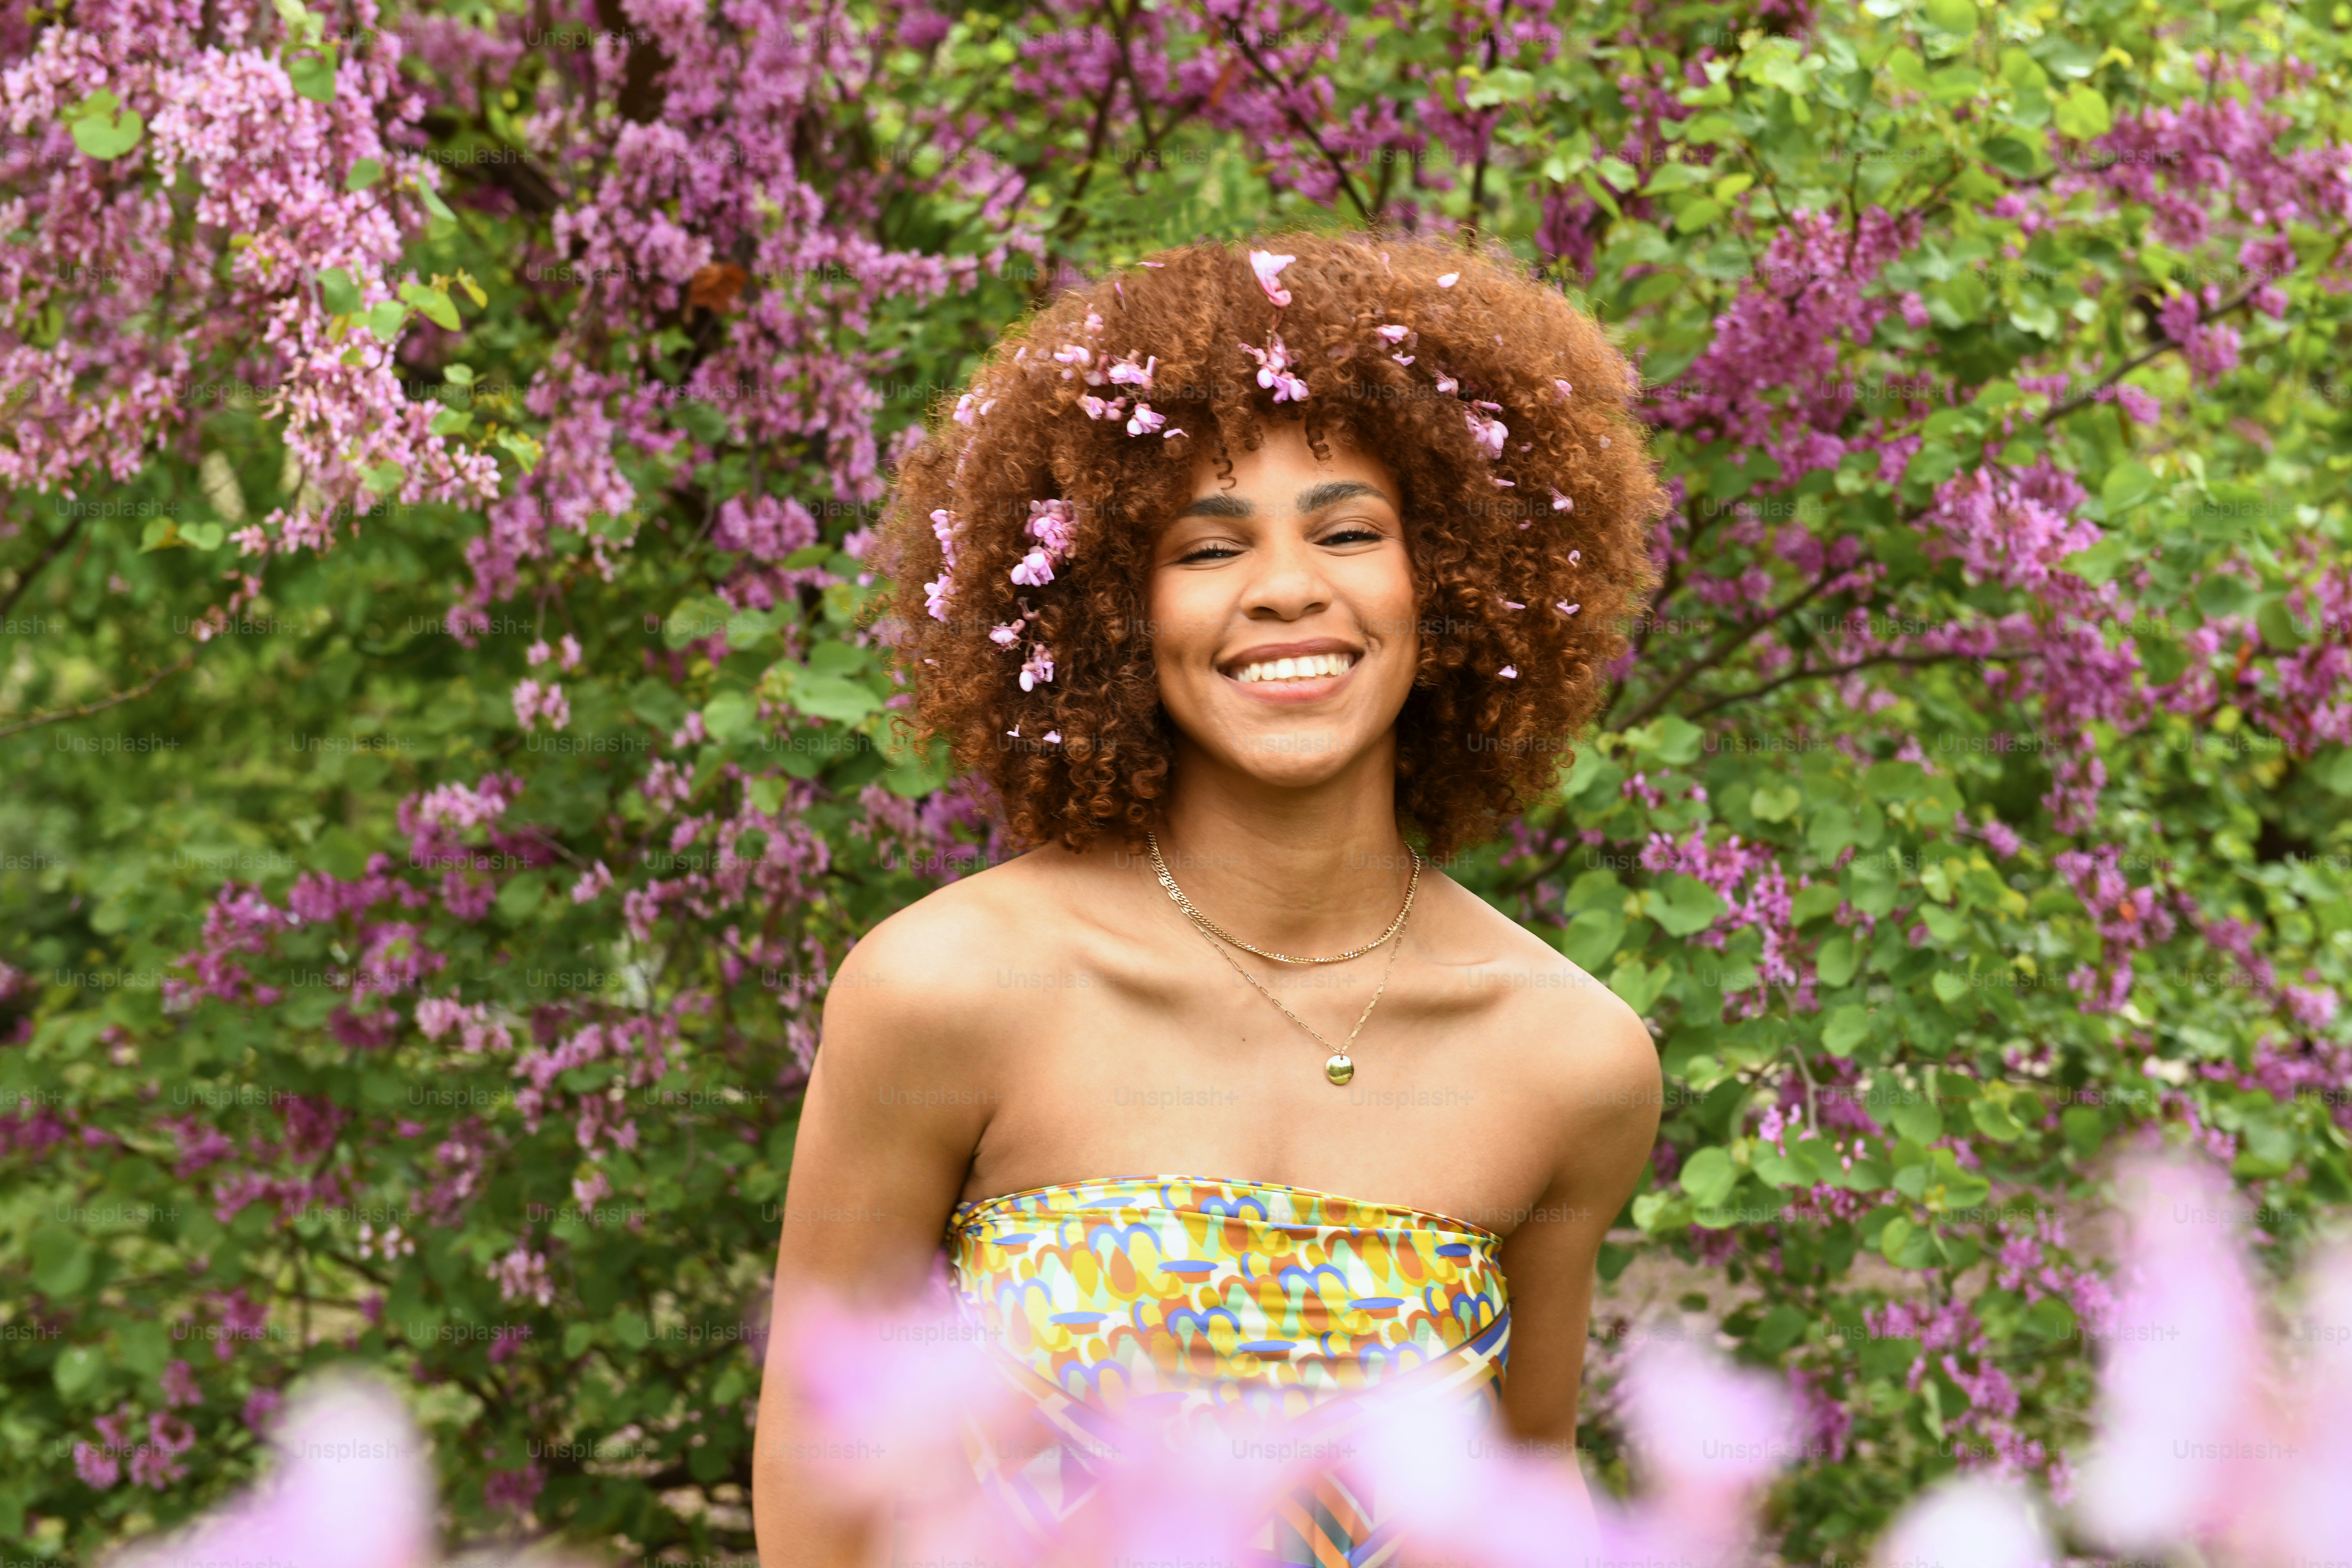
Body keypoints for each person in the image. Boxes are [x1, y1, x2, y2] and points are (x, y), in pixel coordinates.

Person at [753, 232, 1666, 1565]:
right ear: (1108, 606)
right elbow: (827, 1476)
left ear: (1456, 581)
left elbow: (1527, 1482)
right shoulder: (946, 990)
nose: (1289, 587)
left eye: (1351, 530)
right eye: (1206, 547)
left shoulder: (1571, 1058)